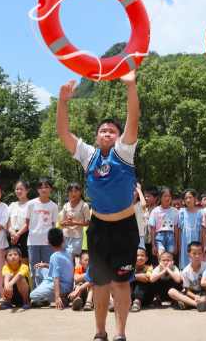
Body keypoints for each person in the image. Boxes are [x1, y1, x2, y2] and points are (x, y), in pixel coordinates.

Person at [57, 71, 140, 341]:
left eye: (112, 130)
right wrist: (63, 101)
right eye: (102, 130)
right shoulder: (88, 155)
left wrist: (130, 86)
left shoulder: (124, 152)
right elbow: (64, 133)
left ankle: (120, 333)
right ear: (96, 137)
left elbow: (133, 119)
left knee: (121, 282)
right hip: (98, 228)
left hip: (125, 228)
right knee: (101, 282)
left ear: (119, 136)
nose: (107, 133)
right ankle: (100, 332)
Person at [25, 178, 59, 289]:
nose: (43, 189)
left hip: (47, 242)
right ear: (37, 190)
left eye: (46, 187)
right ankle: (34, 294)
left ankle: (45, 293)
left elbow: (53, 225)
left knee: (47, 269)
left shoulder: (53, 206)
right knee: (34, 269)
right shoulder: (31, 204)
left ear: (51, 189)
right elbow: (27, 222)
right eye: (41, 187)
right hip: (33, 241)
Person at [30, 228, 73, 310]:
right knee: (39, 268)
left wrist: (57, 297)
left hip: (62, 285)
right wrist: (45, 264)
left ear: (48, 242)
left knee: (33, 295)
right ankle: (44, 298)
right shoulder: (68, 251)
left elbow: (56, 277)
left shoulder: (54, 256)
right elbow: (61, 268)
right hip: (67, 284)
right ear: (63, 241)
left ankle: (63, 297)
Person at [168, 241, 206, 311]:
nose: (197, 256)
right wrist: (195, 297)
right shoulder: (186, 271)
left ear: (203, 254)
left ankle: (188, 303)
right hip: (191, 295)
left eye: (199, 253)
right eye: (194, 253)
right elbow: (187, 291)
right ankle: (197, 304)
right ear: (188, 255)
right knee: (171, 291)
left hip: (204, 294)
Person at [61, 182, 90, 260]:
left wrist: (74, 223)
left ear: (80, 192)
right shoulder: (65, 206)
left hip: (77, 236)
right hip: (65, 236)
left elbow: (88, 223)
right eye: (71, 191)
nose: (73, 193)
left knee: (69, 258)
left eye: (76, 191)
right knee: (65, 259)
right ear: (68, 193)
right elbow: (62, 223)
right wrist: (67, 221)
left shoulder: (84, 205)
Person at [149, 187, 179, 259]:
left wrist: (176, 244)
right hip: (159, 237)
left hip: (171, 237)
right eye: (165, 196)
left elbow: (176, 228)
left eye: (169, 196)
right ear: (160, 197)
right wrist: (153, 245)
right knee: (161, 258)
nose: (167, 198)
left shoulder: (175, 211)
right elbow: (152, 229)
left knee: (169, 259)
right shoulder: (155, 211)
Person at [7, 180, 31, 266]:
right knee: (12, 263)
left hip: (25, 235)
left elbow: (28, 223)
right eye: (17, 189)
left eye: (22, 189)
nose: (19, 191)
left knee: (24, 264)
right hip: (12, 235)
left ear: (27, 190)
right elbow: (8, 220)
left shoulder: (31, 204)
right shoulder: (12, 205)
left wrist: (18, 235)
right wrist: (11, 231)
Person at [177, 188, 203, 269]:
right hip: (184, 239)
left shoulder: (200, 213)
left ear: (195, 198)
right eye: (186, 198)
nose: (188, 200)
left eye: (190, 197)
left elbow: (201, 230)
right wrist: (178, 243)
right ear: (183, 200)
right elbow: (179, 229)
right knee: (185, 259)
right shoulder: (181, 212)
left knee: (195, 259)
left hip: (196, 239)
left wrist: (201, 244)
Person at [128, 247, 153, 312]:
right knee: (131, 275)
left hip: (145, 297)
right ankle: (129, 300)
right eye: (137, 256)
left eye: (142, 255)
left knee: (142, 274)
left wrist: (137, 276)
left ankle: (137, 301)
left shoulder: (149, 268)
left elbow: (147, 277)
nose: (139, 258)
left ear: (146, 258)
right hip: (130, 295)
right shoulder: (129, 268)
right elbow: (123, 279)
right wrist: (136, 276)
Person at [143, 186, 159, 266]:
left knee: (155, 263)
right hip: (144, 241)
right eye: (145, 196)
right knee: (146, 263)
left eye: (149, 196)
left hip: (155, 242)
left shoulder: (159, 211)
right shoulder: (144, 210)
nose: (146, 198)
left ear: (156, 197)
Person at [132, 183, 147, 249]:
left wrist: (139, 191)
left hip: (139, 234)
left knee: (141, 252)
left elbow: (144, 204)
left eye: (133, 190)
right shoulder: (125, 205)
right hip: (128, 234)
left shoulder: (139, 205)